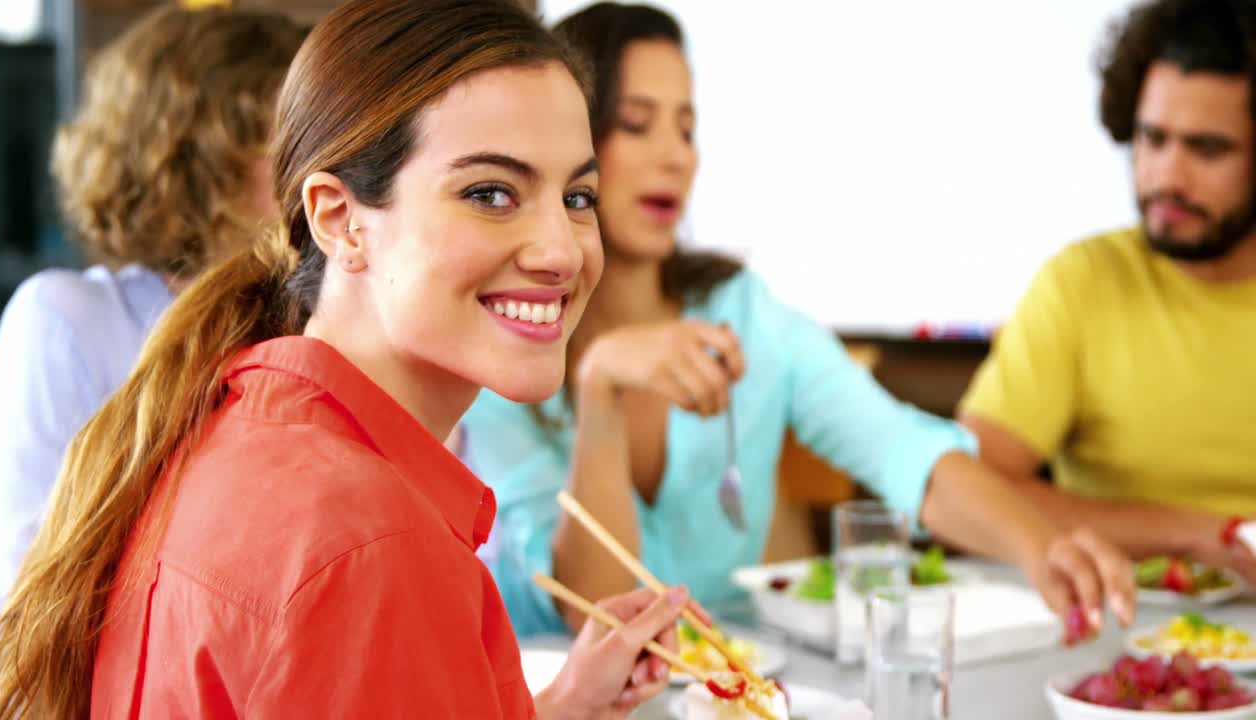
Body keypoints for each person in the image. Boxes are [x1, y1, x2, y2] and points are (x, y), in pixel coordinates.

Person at [0, 1, 691, 717]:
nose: (562, 251)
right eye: (490, 194)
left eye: (577, 197)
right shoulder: (373, 544)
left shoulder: (237, 430)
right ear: (339, 219)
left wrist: (565, 703)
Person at [459, 1, 1135, 639]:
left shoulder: (742, 315)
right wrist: (601, 388)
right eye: (637, 124)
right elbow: (593, 610)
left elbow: (899, 449)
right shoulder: (507, 340)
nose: (677, 155)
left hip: (722, 692)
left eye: (687, 129)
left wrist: (1039, 545)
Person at [0, 6, 304, 711]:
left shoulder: (306, 327)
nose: (313, 172)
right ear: (195, 155)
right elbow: (30, 589)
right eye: (284, 141)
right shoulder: (66, 318)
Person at [958, 0, 1256, 585]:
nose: (1167, 176)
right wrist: (1199, 533)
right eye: (1152, 138)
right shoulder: (1081, 283)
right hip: (1117, 625)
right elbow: (968, 494)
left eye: (1208, 149)